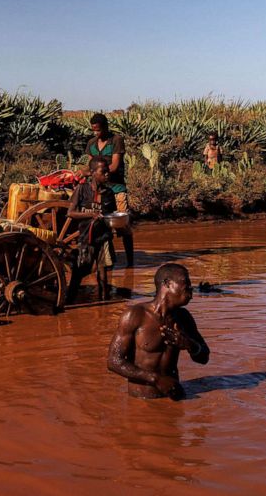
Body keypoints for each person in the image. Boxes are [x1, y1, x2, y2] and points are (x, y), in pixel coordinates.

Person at [107, 263, 210, 400]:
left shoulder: (184, 318)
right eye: (185, 282)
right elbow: (114, 361)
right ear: (167, 283)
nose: (190, 289)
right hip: (141, 403)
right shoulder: (135, 315)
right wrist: (155, 379)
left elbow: (204, 358)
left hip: (175, 398)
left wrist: (189, 344)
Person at [86, 113, 134, 267]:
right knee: (101, 224)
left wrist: (94, 172)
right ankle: (108, 260)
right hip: (100, 190)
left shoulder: (116, 141)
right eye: (93, 130)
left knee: (123, 226)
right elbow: (90, 165)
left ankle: (130, 262)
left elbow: (114, 166)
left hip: (116, 187)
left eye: (98, 130)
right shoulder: (91, 143)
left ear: (105, 127)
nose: (96, 133)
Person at [67, 157, 117, 301]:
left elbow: (112, 214)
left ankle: (104, 302)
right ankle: (70, 300)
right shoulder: (82, 189)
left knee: (103, 272)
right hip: (86, 237)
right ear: (93, 173)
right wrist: (90, 214)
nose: (107, 174)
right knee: (81, 269)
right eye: (104, 172)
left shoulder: (109, 193)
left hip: (103, 238)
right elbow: (70, 212)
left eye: (108, 172)